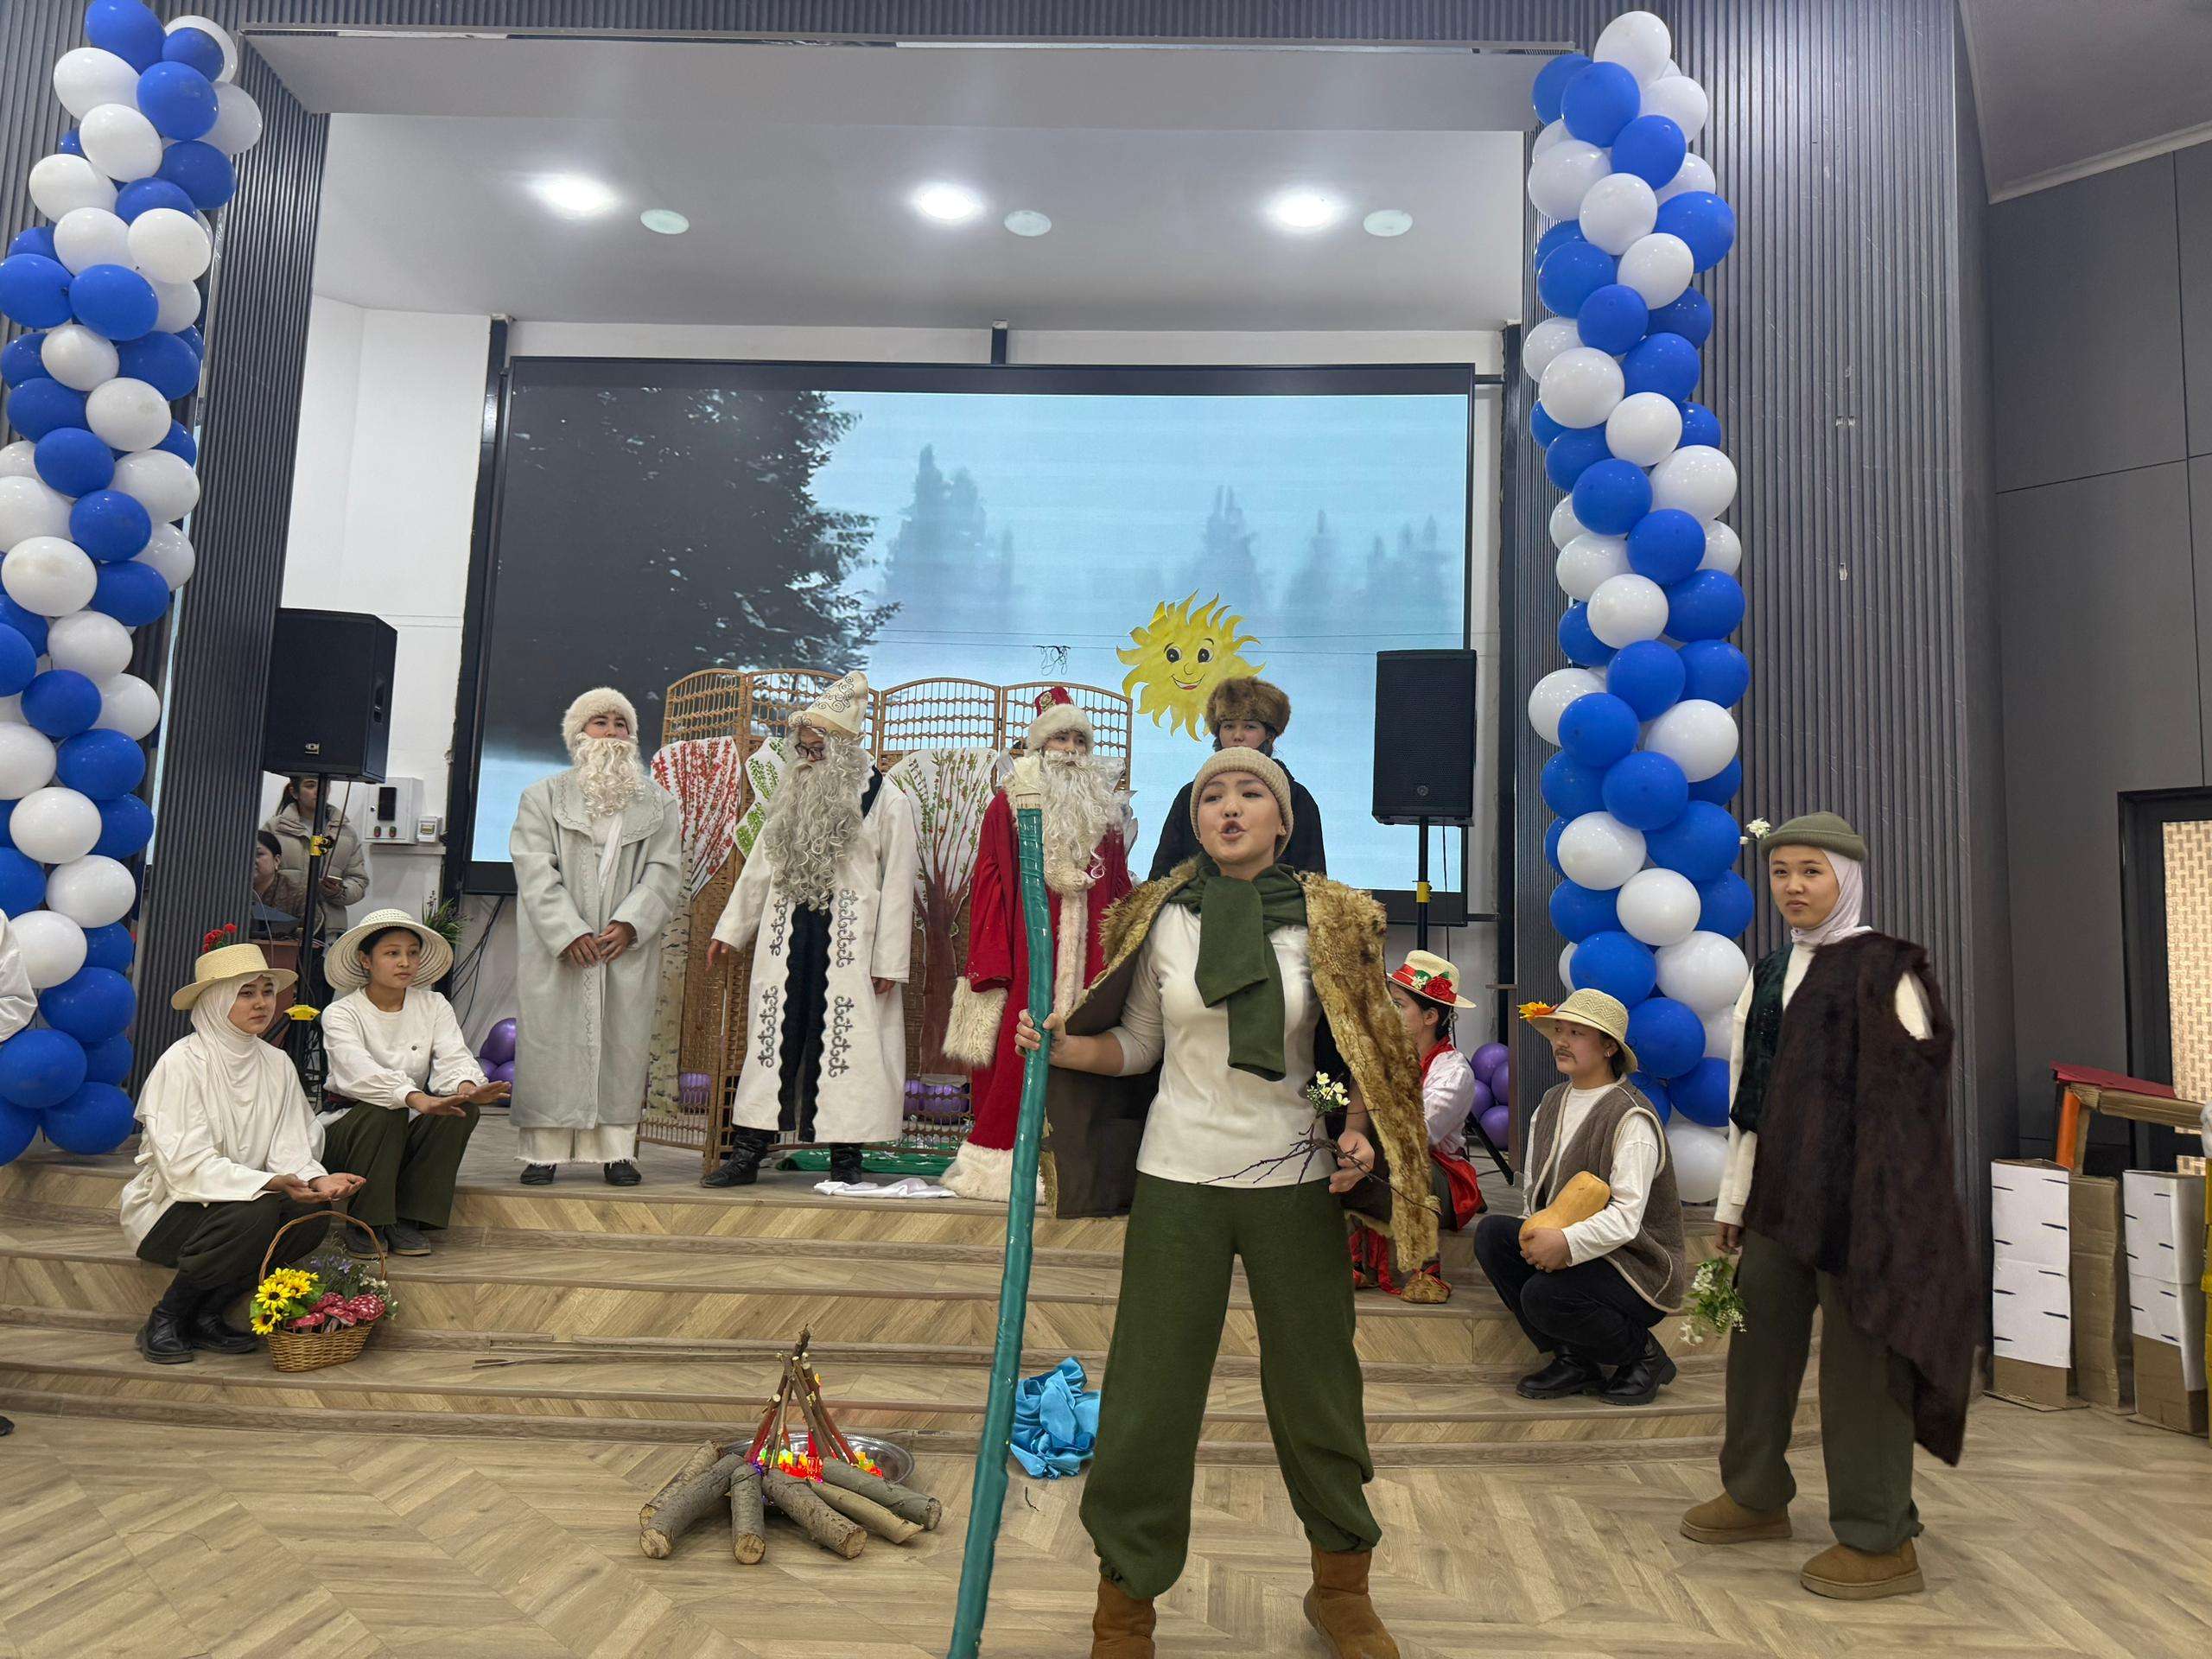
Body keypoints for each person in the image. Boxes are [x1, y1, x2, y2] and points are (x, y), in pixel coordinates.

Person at [1021, 747, 1429, 1659]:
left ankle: (1341, 1587)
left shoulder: (1331, 921)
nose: (1231, 807)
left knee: (1318, 1392)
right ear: (1195, 819)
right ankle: (1124, 1608)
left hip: (1294, 1182)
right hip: (1180, 1179)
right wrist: (1066, 1049)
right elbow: (1138, 1045)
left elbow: (1353, 1048)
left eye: (1251, 793)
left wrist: (1356, 1129)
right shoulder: (1160, 918)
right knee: (1150, 1398)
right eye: (1213, 795)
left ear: (1284, 821)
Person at [1681, 812, 1974, 1601]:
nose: (1793, 887)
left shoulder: (1887, 971)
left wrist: (1892, 1216)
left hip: (1863, 1213)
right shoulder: (1772, 970)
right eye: (1781, 872)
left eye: (1811, 871)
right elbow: (1751, 1094)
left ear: (1846, 877)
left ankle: (1880, 1538)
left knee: (1863, 1372)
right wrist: (1736, 1197)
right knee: (1758, 1349)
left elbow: (1913, 1107)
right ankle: (1754, 1494)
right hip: (1780, 1199)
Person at [704, 671, 919, 1189]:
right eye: (801, 748)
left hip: (850, 946)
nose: (806, 757)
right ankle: (749, 1152)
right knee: (771, 1044)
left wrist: (889, 962)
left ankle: (846, 1158)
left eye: (816, 748)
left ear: (842, 747)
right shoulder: (791, 792)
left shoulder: (886, 799)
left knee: (851, 1048)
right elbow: (760, 866)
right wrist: (731, 929)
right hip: (787, 939)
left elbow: (899, 884)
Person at [118, 944, 365, 1364]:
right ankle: (166, 1317)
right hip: (170, 1212)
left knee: (308, 1214)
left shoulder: (276, 1063)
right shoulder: (182, 1063)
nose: (262, 1003)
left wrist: (316, 1179)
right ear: (216, 1001)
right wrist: (267, 1182)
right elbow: (185, 1165)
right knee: (255, 1210)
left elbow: (290, 1143)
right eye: (246, 993)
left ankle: (208, 1314)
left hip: (243, 1209)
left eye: (267, 992)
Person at [940, 686, 1133, 1201]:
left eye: (1079, 740)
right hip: (1026, 953)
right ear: (1039, 746)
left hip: (1090, 959)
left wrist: (1120, 958)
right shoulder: (1009, 804)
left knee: (1086, 1054)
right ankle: (1004, 1165)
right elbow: (990, 884)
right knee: (1018, 1050)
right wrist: (991, 963)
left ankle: (1077, 1168)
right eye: (1059, 739)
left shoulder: (1106, 813)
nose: (1070, 750)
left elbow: (1118, 888)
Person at [1471, 990, 1685, 1408]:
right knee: (1493, 1235)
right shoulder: (1551, 1103)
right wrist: (1538, 1235)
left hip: (1633, 1263)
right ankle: (1574, 1359)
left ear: (1609, 1047)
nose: (1561, 1042)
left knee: (1544, 1295)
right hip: (1577, 1250)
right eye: (1559, 1031)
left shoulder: (1631, 1117)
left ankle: (1644, 1356)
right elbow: (1536, 1191)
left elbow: (1627, 1219)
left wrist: (1565, 1244)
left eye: (1577, 1033)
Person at [509, 687, 683, 1186]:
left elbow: (664, 869)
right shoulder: (542, 796)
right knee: (551, 1044)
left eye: (620, 724)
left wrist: (630, 923)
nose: (611, 733)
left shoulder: (659, 803)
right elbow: (534, 869)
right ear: (578, 734)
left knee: (621, 1045)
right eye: (599, 722)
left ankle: (617, 1152)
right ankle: (543, 1153)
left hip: (622, 946)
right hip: (559, 948)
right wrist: (568, 931)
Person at [317, 909, 510, 1256]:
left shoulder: (433, 1005)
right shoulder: (342, 1013)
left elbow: (453, 1055)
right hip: (351, 1132)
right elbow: (358, 1072)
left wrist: (467, 1088)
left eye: (412, 952)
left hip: (404, 1125)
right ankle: (366, 1221)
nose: (405, 962)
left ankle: (408, 1218)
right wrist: (413, 1097)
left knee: (461, 1110)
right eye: (392, 953)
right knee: (385, 1110)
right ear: (366, 960)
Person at [1349, 950, 1485, 1301]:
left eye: (1398, 1005)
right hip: (1385, 1161)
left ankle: (1427, 1271)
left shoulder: (1453, 1071)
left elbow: (1416, 1135)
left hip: (1438, 1177)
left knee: (1402, 1155)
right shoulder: (1383, 1057)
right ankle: (1353, 1259)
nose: (1387, 1013)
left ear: (1429, 1016)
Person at [1145, 677, 1326, 877]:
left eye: (1249, 727)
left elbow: (1313, 879)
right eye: (1229, 726)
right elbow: (1162, 876)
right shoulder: (1191, 794)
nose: (1238, 736)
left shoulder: (1296, 797)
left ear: (1270, 735)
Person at [261, 776, 370, 937]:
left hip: (328, 928)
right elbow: (258, 874)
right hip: (281, 924)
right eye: (310, 785)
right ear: (294, 792)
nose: (319, 791)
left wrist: (338, 891)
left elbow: (359, 881)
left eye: (325, 785)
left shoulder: (346, 834)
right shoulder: (275, 828)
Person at [249, 829, 304, 938]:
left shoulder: (298, 895)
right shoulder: (230, 891)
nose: (251, 859)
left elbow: (314, 939)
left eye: (258, 854)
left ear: (277, 860)